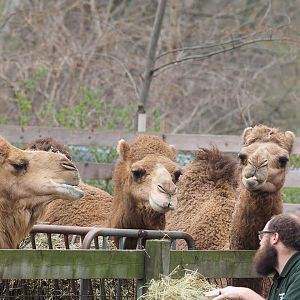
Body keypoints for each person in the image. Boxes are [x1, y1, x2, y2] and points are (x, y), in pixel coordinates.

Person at [205, 213, 300, 300]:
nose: (260, 242)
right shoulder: (281, 278)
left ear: (275, 237)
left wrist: (245, 293)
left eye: (262, 236)